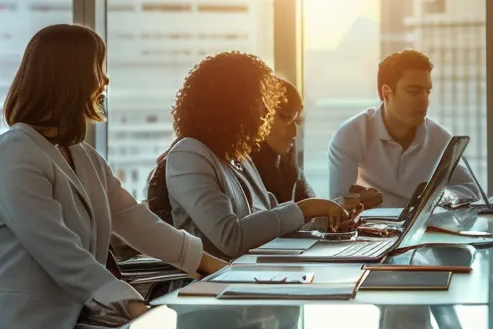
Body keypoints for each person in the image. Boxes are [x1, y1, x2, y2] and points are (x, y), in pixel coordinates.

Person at [0, 24, 225, 329]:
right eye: (97, 68)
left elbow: (136, 220)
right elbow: (62, 254)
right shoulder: (15, 155)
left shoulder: (80, 155)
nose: (105, 79)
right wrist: (135, 306)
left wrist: (216, 268)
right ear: (70, 79)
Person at [145, 52, 354, 260]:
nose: (265, 111)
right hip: (210, 284)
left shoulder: (239, 156)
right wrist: (303, 209)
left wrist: (327, 219)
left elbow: (272, 219)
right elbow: (231, 238)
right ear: (233, 104)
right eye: (258, 100)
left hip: (254, 273)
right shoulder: (189, 154)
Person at [328, 50, 472, 208]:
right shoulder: (351, 134)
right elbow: (339, 204)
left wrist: (439, 196)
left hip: (425, 229)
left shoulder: (440, 139)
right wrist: (358, 203)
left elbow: (471, 191)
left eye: (427, 92)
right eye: (414, 91)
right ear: (387, 93)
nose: (425, 101)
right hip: (371, 229)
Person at [247, 72, 384, 208]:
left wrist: (350, 205)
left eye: (297, 122)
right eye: (286, 118)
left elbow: (309, 218)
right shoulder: (241, 174)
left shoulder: (286, 167)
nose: (294, 132)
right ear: (260, 117)